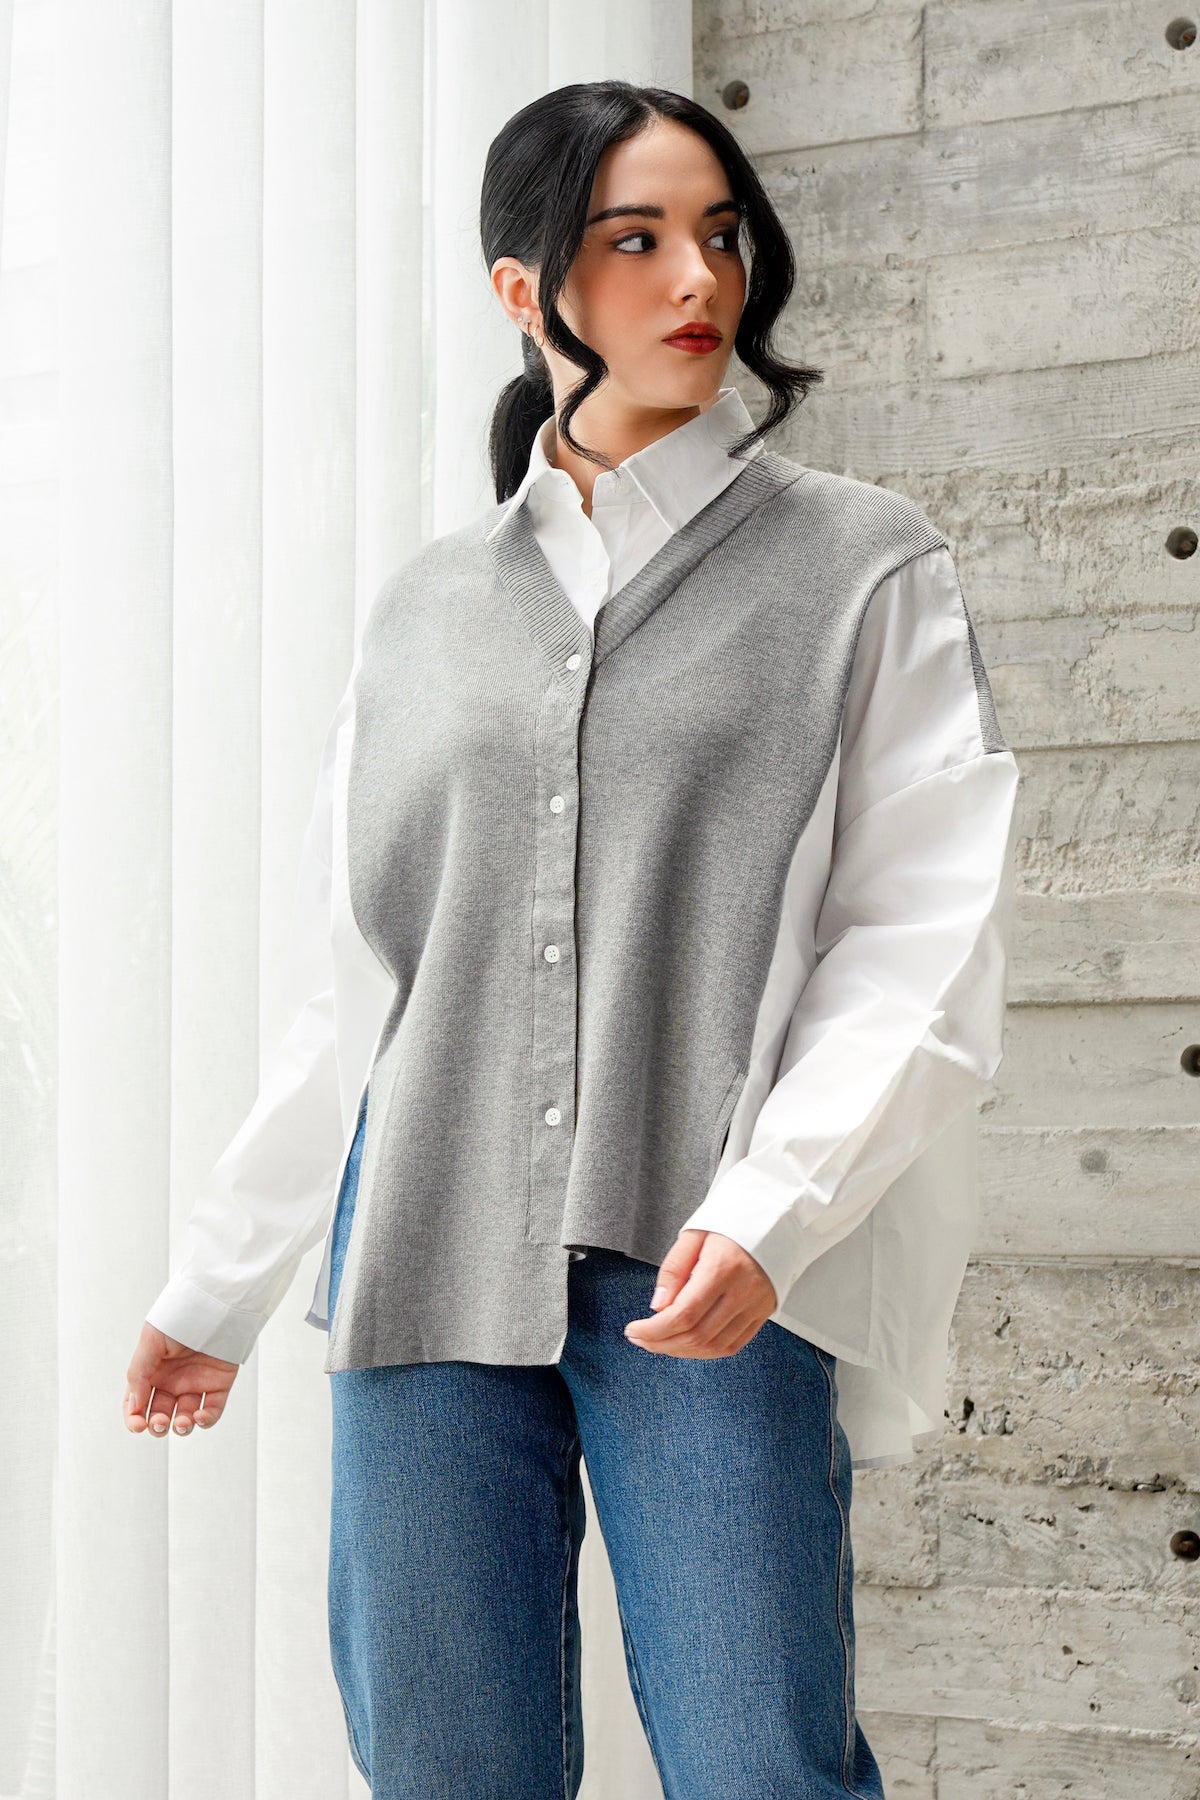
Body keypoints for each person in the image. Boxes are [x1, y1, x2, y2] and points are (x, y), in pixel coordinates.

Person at [124, 79, 1020, 1799]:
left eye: (722, 235)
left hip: (708, 1258)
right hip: (422, 1250)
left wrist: (773, 1213)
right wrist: (218, 1285)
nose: (698, 279)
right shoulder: (426, 611)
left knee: (763, 1767)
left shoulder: (862, 565)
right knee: (444, 1769)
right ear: (524, 288)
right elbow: (359, 989)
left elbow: (920, 940)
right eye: (636, 240)